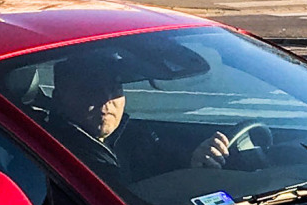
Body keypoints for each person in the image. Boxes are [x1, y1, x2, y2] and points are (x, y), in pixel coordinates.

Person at [51, 51, 239, 174]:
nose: (107, 99)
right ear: (59, 97)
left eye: (115, 88)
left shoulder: (135, 136)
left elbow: (163, 165)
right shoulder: (51, 156)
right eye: (91, 89)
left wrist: (195, 162)